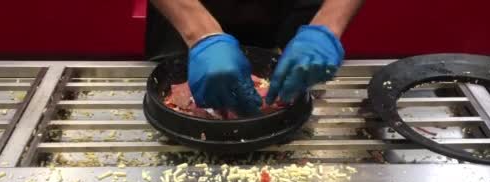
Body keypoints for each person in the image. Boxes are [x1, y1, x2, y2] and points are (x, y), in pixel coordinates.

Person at [149, 0, 363, 115]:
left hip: (291, 9)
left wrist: (327, 25)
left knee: (295, 100)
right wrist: (199, 34)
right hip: (183, 9)